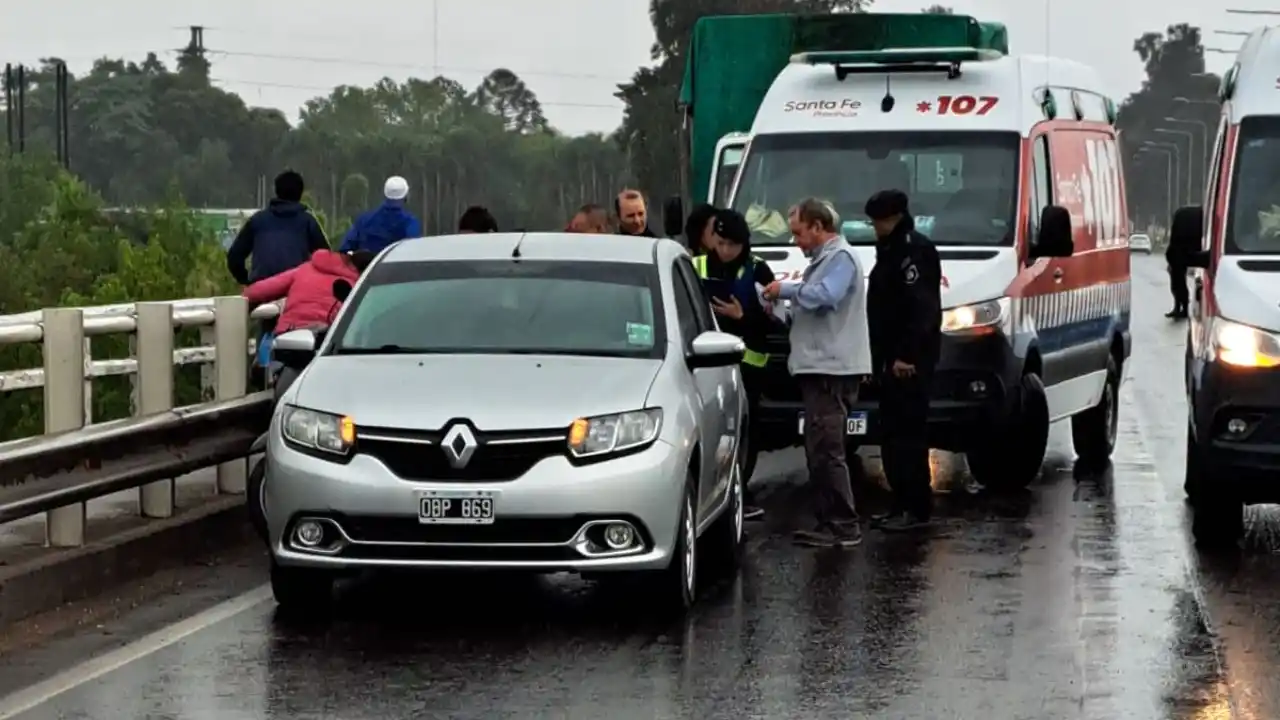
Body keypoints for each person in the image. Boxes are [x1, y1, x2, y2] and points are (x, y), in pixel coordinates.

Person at [762, 198, 866, 548]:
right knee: (818, 451)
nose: (796, 242)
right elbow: (810, 310)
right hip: (819, 367)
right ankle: (829, 522)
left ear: (819, 227)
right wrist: (779, 309)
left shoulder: (841, 259)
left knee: (828, 450)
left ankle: (843, 525)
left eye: (799, 233)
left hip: (831, 370)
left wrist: (785, 289)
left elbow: (827, 296)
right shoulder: (824, 261)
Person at [864, 189, 942, 532]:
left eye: (878, 221)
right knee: (892, 434)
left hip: (909, 362)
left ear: (893, 217)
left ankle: (915, 505)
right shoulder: (891, 249)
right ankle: (899, 503)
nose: (874, 228)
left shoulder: (913, 251)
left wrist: (906, 355)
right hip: (889, 359)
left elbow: (920, 309)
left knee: (908, 435)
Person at [695, 208, 779, 521]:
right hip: (707, 365)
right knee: (714, 430)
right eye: (722, 243)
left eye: (734, 245)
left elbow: (776, 322)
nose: (727, 251)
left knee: (746, 432)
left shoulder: (759, 272)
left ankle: (741, 488)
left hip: (749, 367)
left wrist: (743, 317)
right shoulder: (696, 266)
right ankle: (715, 493)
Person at [226, 170, 329, 286]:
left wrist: (247, 282)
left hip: (262, 290)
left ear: (276, 191)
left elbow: (234, 257)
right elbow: (326, 260)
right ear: (300, 194)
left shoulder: (257, 221)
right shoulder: (307, 222)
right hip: (295, 289)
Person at [242, 249, 374, 333]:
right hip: (323, 338)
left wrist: (242, 297)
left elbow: (265, 288)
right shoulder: (357, 286)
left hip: (287, 332)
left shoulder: (306, 268)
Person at [339, 176, 423, 253]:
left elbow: (344, 248)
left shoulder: (364, 220)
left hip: (366, 268)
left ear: (385, 194)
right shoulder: (410, 223)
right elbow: (413, 251)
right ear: (406, 197)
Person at [1165, 212, 1193, 319]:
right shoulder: (1178, 232)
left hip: (1179, 262)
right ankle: (1177, 308)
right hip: (1175, 262)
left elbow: (1176, 247)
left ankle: (1183, 309)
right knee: (1175, 286)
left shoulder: (1182, 234)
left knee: (1180, 285)